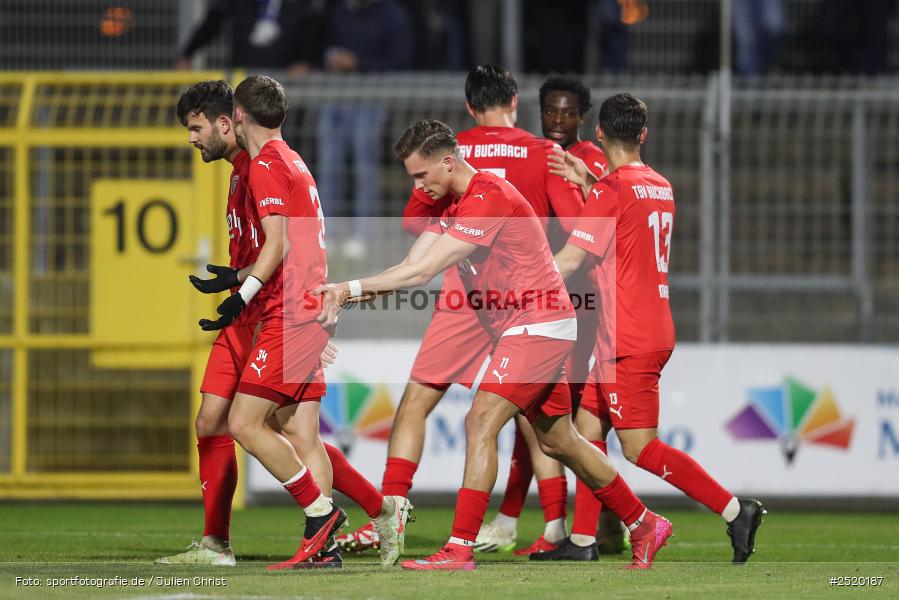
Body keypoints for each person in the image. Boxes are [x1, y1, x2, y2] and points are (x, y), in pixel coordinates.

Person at [316, 119, 673, 571]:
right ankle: (644, 523)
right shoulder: (451, 202)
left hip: (537, 323)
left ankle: (459, 547)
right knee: (561, 440)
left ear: (448, 162)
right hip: (530, 325)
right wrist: (346, 295)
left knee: (480, 420)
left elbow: (422, 274)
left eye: (421, 174)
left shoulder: (488, 196)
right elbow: (410, 263)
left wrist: (347, 289)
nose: (418, 186)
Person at [336, 65, 586, 556]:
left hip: (465, 292)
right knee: (533, 418)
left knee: (417, 401)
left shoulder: (450, 152)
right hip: (526, 293)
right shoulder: (543, 152)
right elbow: (578, 224)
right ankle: (555, 525)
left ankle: (392, 514)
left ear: (470, 107)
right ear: (514, 102)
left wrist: (453, 235)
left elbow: (416, 219)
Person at [548, 92, 766, 564]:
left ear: (598, 133)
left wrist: (518, 281)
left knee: (639, 448)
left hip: (626, 336)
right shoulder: (660, 185)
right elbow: (626, 213)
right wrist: (590, 181)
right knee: (586, 431)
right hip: (649, 325)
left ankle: (734, 510)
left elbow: (572, 259)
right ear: (643, 134)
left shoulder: (610, 190)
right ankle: (583, 541)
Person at [486, 74, 625, 562]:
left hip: (581, 303)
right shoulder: (538, 157)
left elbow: (600, 225)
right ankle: (601, 525)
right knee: (545, 415)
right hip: (548, 301)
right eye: (551, 111)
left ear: (583, 117)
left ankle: (576, 526)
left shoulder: (590, 161)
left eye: (568, 112)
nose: (559, 120)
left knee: (565, 419)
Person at [315, 0, 414, 256]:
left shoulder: (390, 14)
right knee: (328, 169)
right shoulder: (337, 11)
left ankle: (363, 237)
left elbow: (401, 60)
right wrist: (330, 58)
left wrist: (359, 63)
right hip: (335, 94)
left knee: (365, 169)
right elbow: (318, 45)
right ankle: (327, 234)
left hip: (370, 98)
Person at [176, 0, 328, 74]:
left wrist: (305, 60)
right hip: (244, 72)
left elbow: (312, 26)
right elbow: (214, 20)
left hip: (284, 75)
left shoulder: (302, 4)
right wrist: (188, 53)